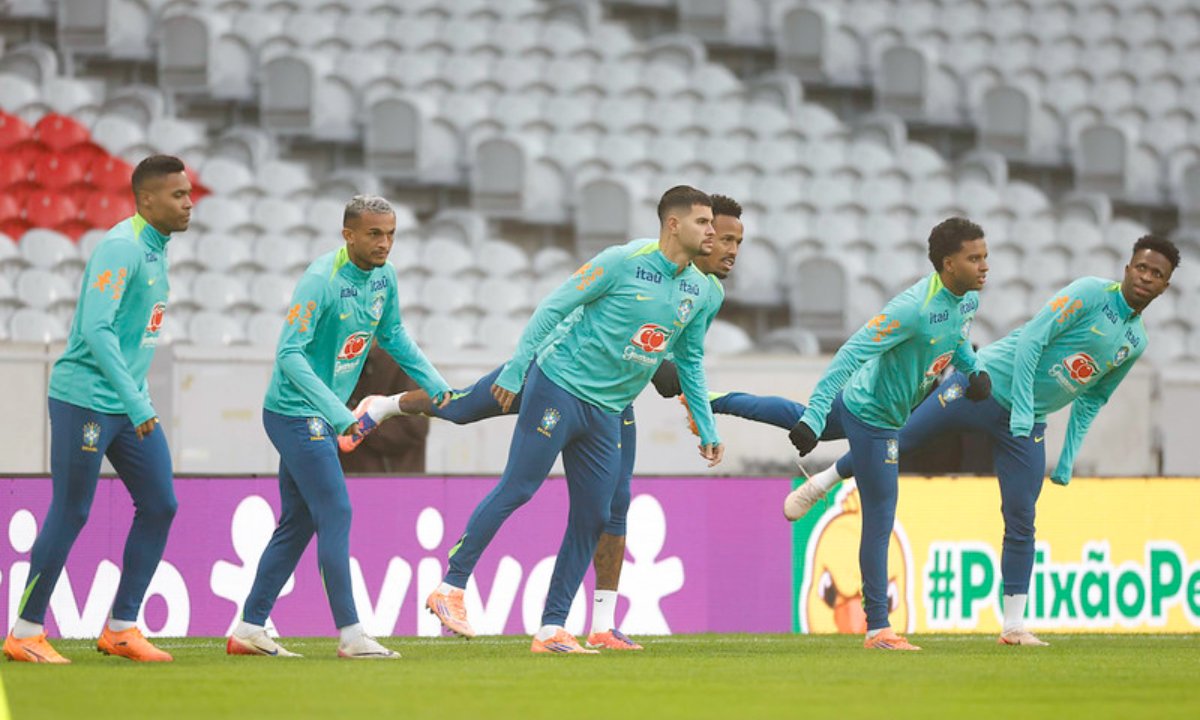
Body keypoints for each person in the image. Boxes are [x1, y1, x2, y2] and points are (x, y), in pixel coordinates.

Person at [341, 195, 745, 650]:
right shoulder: (621, 262)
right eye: (705, 223)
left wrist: (708, 426)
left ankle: (553, 627)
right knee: (515, 479)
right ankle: (450, 586)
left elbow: (690, 360)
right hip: (556, 382)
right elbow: (553, 307)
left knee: (594, 514)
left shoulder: (703, 291)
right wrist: (517, 370)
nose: (713, 235)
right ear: (673, 225)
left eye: (719, 228)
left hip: (608, 407)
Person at [780, 234, 1178, 646]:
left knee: (1022, 516)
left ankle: (1013, 626)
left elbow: (1093, 397)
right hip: (981, 386)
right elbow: (1031, 340)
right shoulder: (1090, 293)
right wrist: (1022, 405)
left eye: (1157, 274)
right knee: (899, 439)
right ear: (1128, 268)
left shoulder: (1136, 341)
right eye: (1141, 267)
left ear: (1166, 286)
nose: (1146, 277)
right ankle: (825, 479)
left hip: (1028, 421)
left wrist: (1066, 457)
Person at [225, 195, 451, 660]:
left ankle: (248, 627)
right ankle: (351, 635)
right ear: (348, 234)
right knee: (337, 510)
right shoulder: (320, 280)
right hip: (293, 411)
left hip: (320, 414)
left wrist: (438, 386)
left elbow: (393, 336)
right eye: (374, 233)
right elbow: (289, 354)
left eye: (390, 233)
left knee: (300, 521)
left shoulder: (384, 277)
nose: (385, 243)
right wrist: (339, 412)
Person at [3, 155, 192, 664]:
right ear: (146, 199)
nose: (189, 202)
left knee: (161, 504)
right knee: (72, 510)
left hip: (129, 402)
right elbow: (96, 330)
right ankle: (24, 631)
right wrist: (135, 399)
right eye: (178, 195)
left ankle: (122, 628)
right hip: (84, 398)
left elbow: (134, 336)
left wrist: (137, 396)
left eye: (188, 193)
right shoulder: (121, 247)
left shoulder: (155, 250)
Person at [785, 217, 989, 651]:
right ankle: (878, 628)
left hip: (879, 408)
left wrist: (974, 370)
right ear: (948, 264)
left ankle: (711, 399)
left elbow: (957, 341)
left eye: (985, 256)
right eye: (975, 258)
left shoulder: (967, 300)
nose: (984, 266)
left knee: (788, 415)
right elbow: (849, 354)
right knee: (879, 519)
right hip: (875, 418)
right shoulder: (912, 308)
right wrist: (818, 413)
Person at [339, 343, 430, 474]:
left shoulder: (403, 360)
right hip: (346, 477)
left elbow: (415, 427)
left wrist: (362, 421)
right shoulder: (338, 361)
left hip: (389, 482)